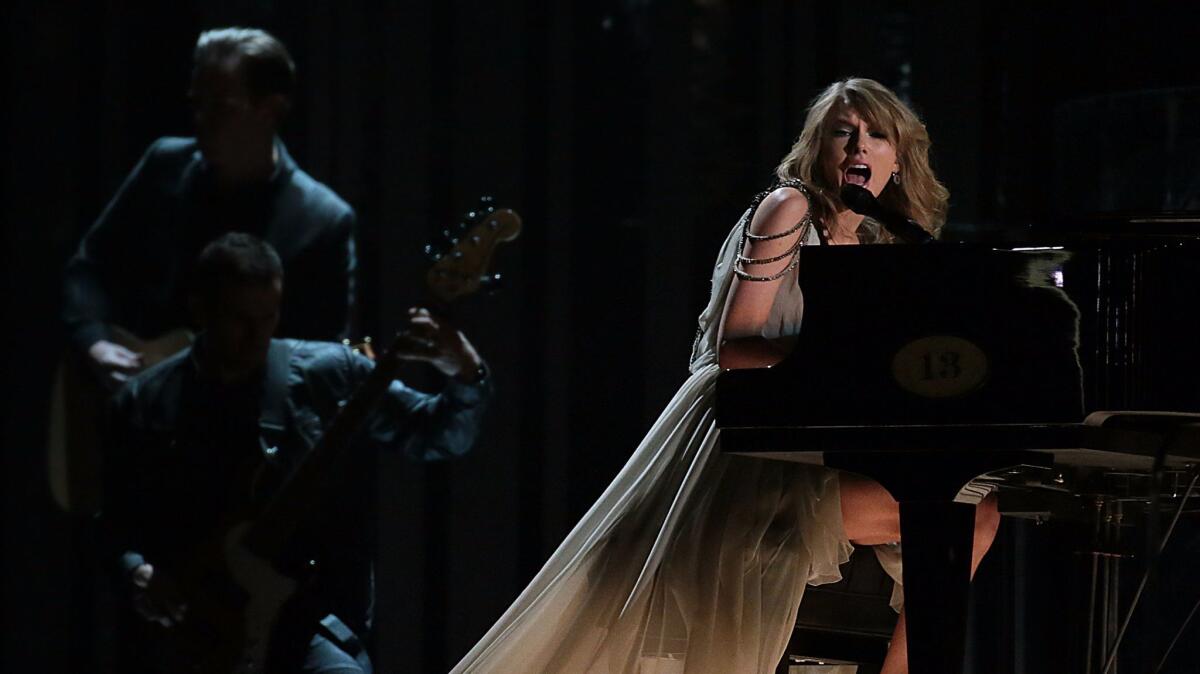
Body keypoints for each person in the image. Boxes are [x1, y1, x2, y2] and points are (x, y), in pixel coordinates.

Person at [450, 78, 997, 674]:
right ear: (817, 147)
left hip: (814, 451)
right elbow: (732, 346)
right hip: (747, 460)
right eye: (843, 133)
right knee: (961, 515)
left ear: (899, 154)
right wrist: (841, 362)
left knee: (981, 510)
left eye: (876, 135)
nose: (858, 148)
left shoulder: (871, 239)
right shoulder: (789, 208)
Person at [102, 233, 490, 673]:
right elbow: (110, 521)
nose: (257, 335)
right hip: (194, 633)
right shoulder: (144, 403)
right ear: (200, 309)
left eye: (268, 316)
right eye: (239, 319)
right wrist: (138, 572)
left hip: (306, 629)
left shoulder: (329, 375)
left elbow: (438, 435)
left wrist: (465, 370)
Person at [62, 27, 357, 392]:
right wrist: (95, 341)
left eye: (220, 107)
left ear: (271, 109)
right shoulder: (164, 165)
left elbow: (319, 358)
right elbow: (88, 267)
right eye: (196, 103)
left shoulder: (321, 220)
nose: (201, 120)